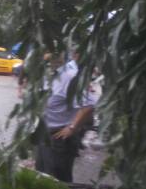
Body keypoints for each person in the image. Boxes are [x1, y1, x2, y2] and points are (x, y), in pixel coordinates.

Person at [35, 50, 98, 182]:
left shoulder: (70, 77)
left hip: (59, 138)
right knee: (42, 173)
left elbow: (89, 105)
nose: (43, 56)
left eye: (47, 51)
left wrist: (72, 127)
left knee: (58, 179)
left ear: (59, 56)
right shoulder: (48, 74)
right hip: (44, 134)